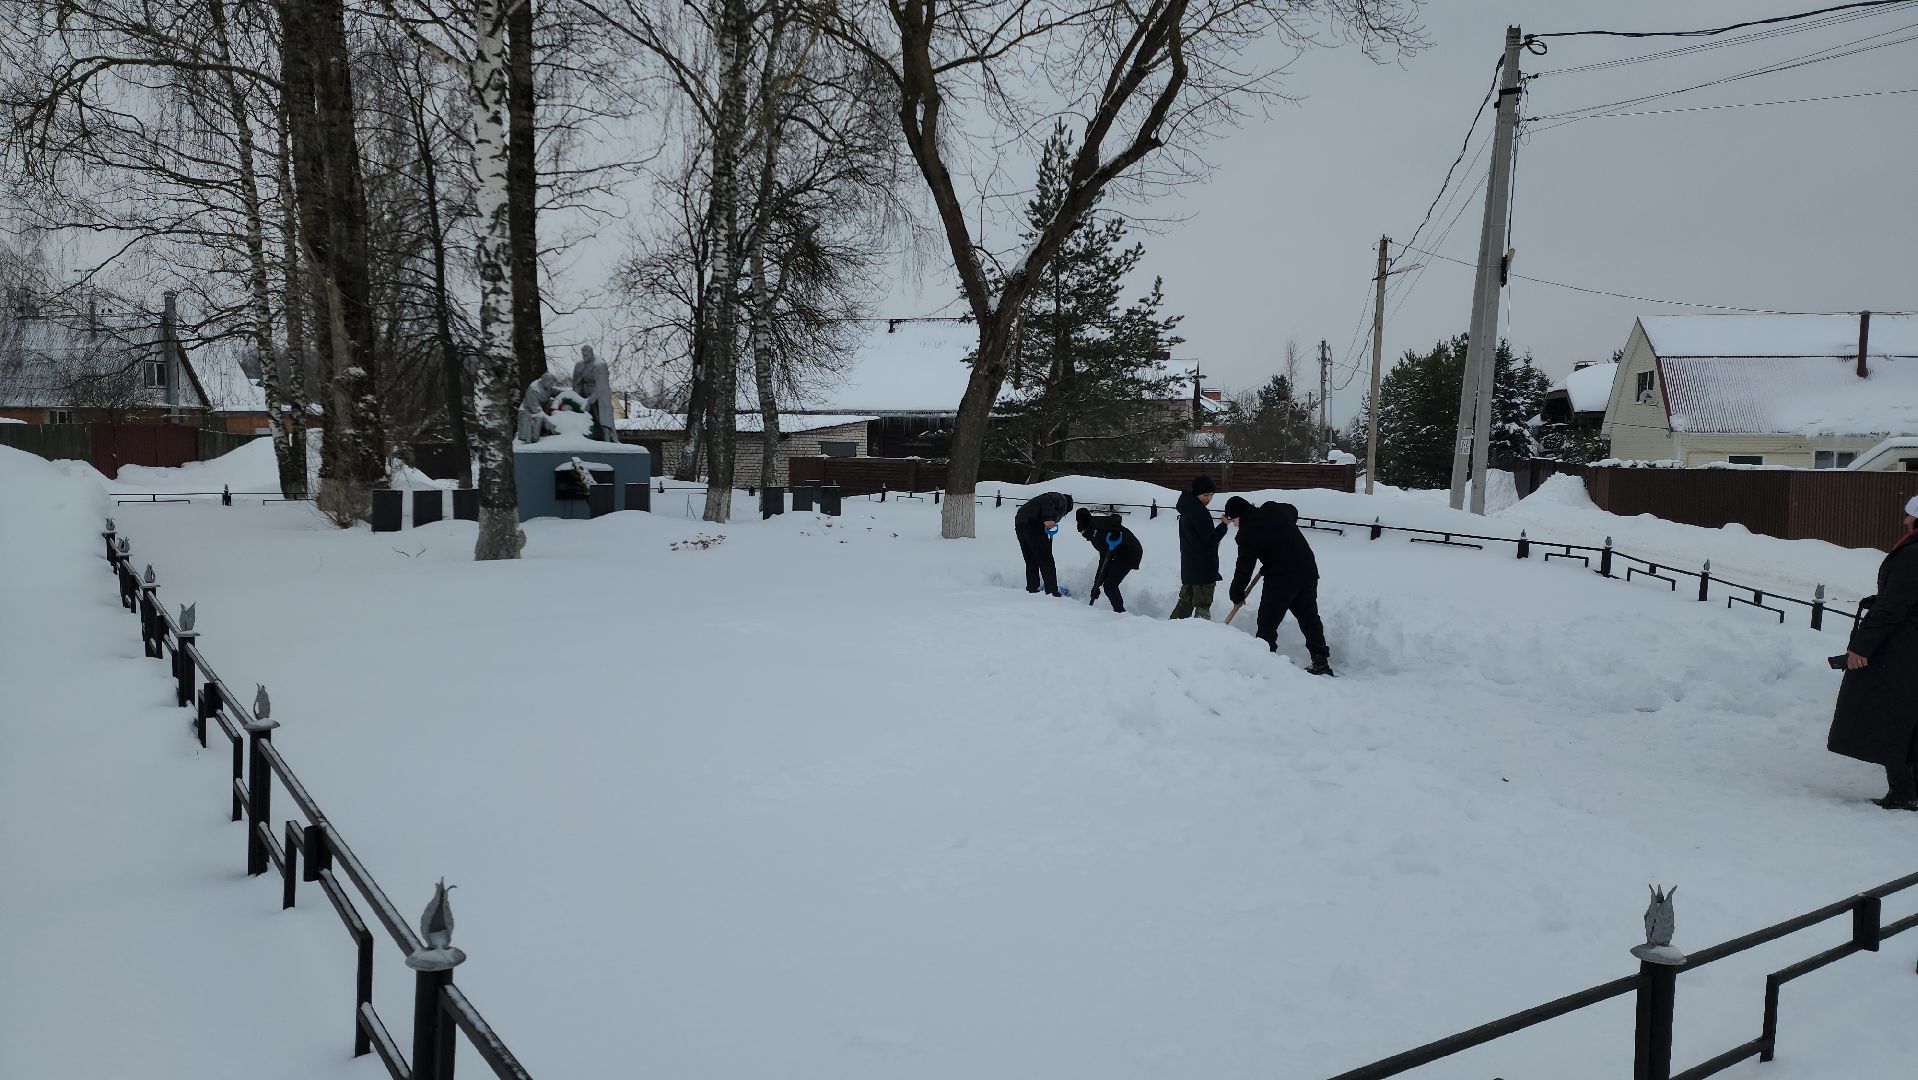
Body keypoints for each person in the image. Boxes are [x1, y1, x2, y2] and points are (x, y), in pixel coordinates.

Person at [1827, 495, 1918, 811]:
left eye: (1909, 515)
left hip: (1903, 649)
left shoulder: (1913, 554)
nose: (1905, 520)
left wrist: (1861, 647)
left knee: (1894, 717)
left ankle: (1905, 792)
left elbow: (1892, 608)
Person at [1223, 495, 1334, 676]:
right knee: (1308, 617)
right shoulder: (1273, 509)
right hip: (1307, 569)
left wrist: (1236, 592)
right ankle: (1321, 661)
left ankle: (1264, 664)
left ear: (1239, 516)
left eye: (1233, 520)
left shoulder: (1247, 532)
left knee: (1267, 620)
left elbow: (1244, 566)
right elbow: (1292, 510)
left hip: (1282, 577)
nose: (1234, 525)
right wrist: (1279, 541)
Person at [1171, 475, 1228, 619]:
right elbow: (1210, 539)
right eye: (1205, 495)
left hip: (1190, 566)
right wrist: (1223, 526)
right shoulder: (1199, 512)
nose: (1209, 499)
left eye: (1211, 495)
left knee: (1185, 603)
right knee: (1202, 606)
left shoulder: (1187, 510)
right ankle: (1201, 637)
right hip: (1203, 568)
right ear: (1197, 493)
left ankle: (1171, 630)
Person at [1075, 507, 1144, 613]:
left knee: (1109, 585)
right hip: (1118, 554)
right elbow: (1103, 561)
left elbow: (1115, 517)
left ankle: (1120, 612)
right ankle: (1119, 611)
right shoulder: (1095, 537)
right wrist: (1096, 585)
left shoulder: (1098, 524)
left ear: (1086, 528)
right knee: (1107, 582)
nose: (1083, 536)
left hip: (1130, 553)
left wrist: (1115, 530)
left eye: (1082, 532)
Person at [1013, 491, 1073, 596]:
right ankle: (1052, 592)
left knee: (1031, 559)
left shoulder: (1038, 504)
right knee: (1046, 560)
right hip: (1032, 524)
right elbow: (1047, 499)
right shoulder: (1062, 499)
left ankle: (1032, 588)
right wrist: (1048, 518)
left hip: (1020, 523)